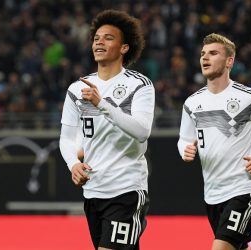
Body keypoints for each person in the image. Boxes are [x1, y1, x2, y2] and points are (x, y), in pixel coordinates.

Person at [177, 33, 251, 250]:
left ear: (229, 61)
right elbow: (184, 138)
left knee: (221, 247)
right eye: (203, 54)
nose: (205, 58)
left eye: (213, 53)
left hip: (244, 189)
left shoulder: (250, 98)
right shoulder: (192, 102)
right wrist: (185, 149)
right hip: (212, 194)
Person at [59, 10, 155, 250]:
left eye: (108, 38)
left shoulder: (139, 85)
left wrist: (101, 104)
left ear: (124, 48)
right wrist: (73, 164)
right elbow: (67, 138)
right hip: (93, 192)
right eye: (96, 38)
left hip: (126, 191)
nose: (99, 41)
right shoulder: (76, 89)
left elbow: (142, 131)